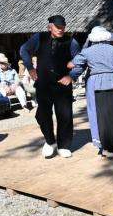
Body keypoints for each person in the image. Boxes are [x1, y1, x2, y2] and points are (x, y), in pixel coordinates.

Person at [70, 27, 113, 158]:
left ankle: (106, 147)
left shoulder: (87, 51)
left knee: (99, 114)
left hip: (96, 84)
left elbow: (72, 64)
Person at [20, 15, 80, 158]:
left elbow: (80, 61)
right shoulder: (39, 38)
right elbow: (24, 50)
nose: (60, 29)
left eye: (63, 27)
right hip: (43, 85)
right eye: (57, 27)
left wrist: (71, 76)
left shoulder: (71, 42)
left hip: (62, 85)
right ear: (50, 27)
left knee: (65, 116)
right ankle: (50, 141)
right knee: (42, 115)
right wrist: (30, 68)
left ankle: (64, 145)